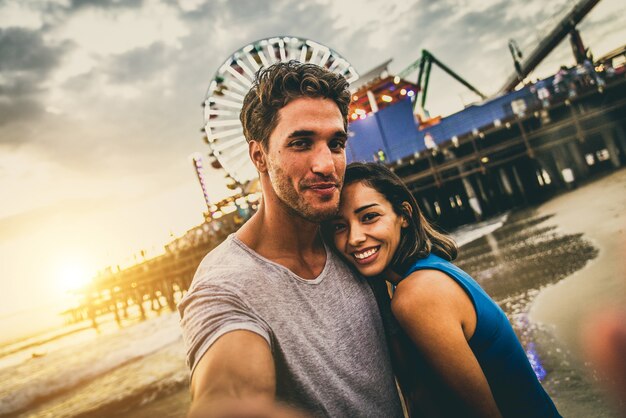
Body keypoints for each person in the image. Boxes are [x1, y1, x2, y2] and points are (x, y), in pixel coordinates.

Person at [178, 62, 404, 417]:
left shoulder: (353, 244)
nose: (326, 165)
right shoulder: (225, 286)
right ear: (259, 156)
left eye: (336, 143)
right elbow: (230, 396)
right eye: (301, 143)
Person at [326, 162, 562, 418]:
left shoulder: (418, 293)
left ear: (404, 215)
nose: (354, 238)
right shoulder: (431, 269)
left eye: (369, 217)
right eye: (340, 226)